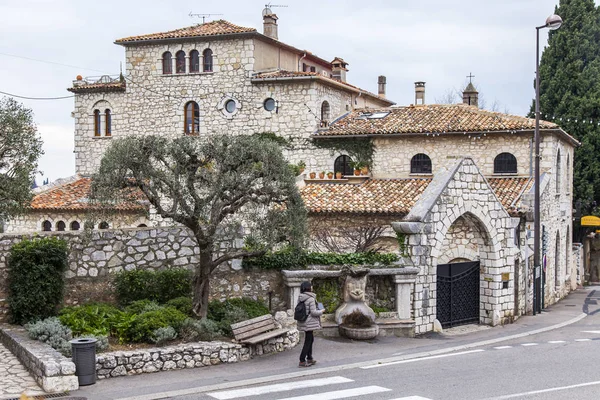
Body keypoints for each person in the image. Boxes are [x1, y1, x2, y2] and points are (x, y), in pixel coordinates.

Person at [296, 281, 324, 367]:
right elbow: (314, 312)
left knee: (310, 340)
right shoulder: (311, 298)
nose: (312, 287)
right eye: (311, 286)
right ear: (308, 288)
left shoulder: (300, 297)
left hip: (303, 321)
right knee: (308, 341)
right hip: (309, 322)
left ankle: (310, 358)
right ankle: (302, 360)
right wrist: (322, 311)